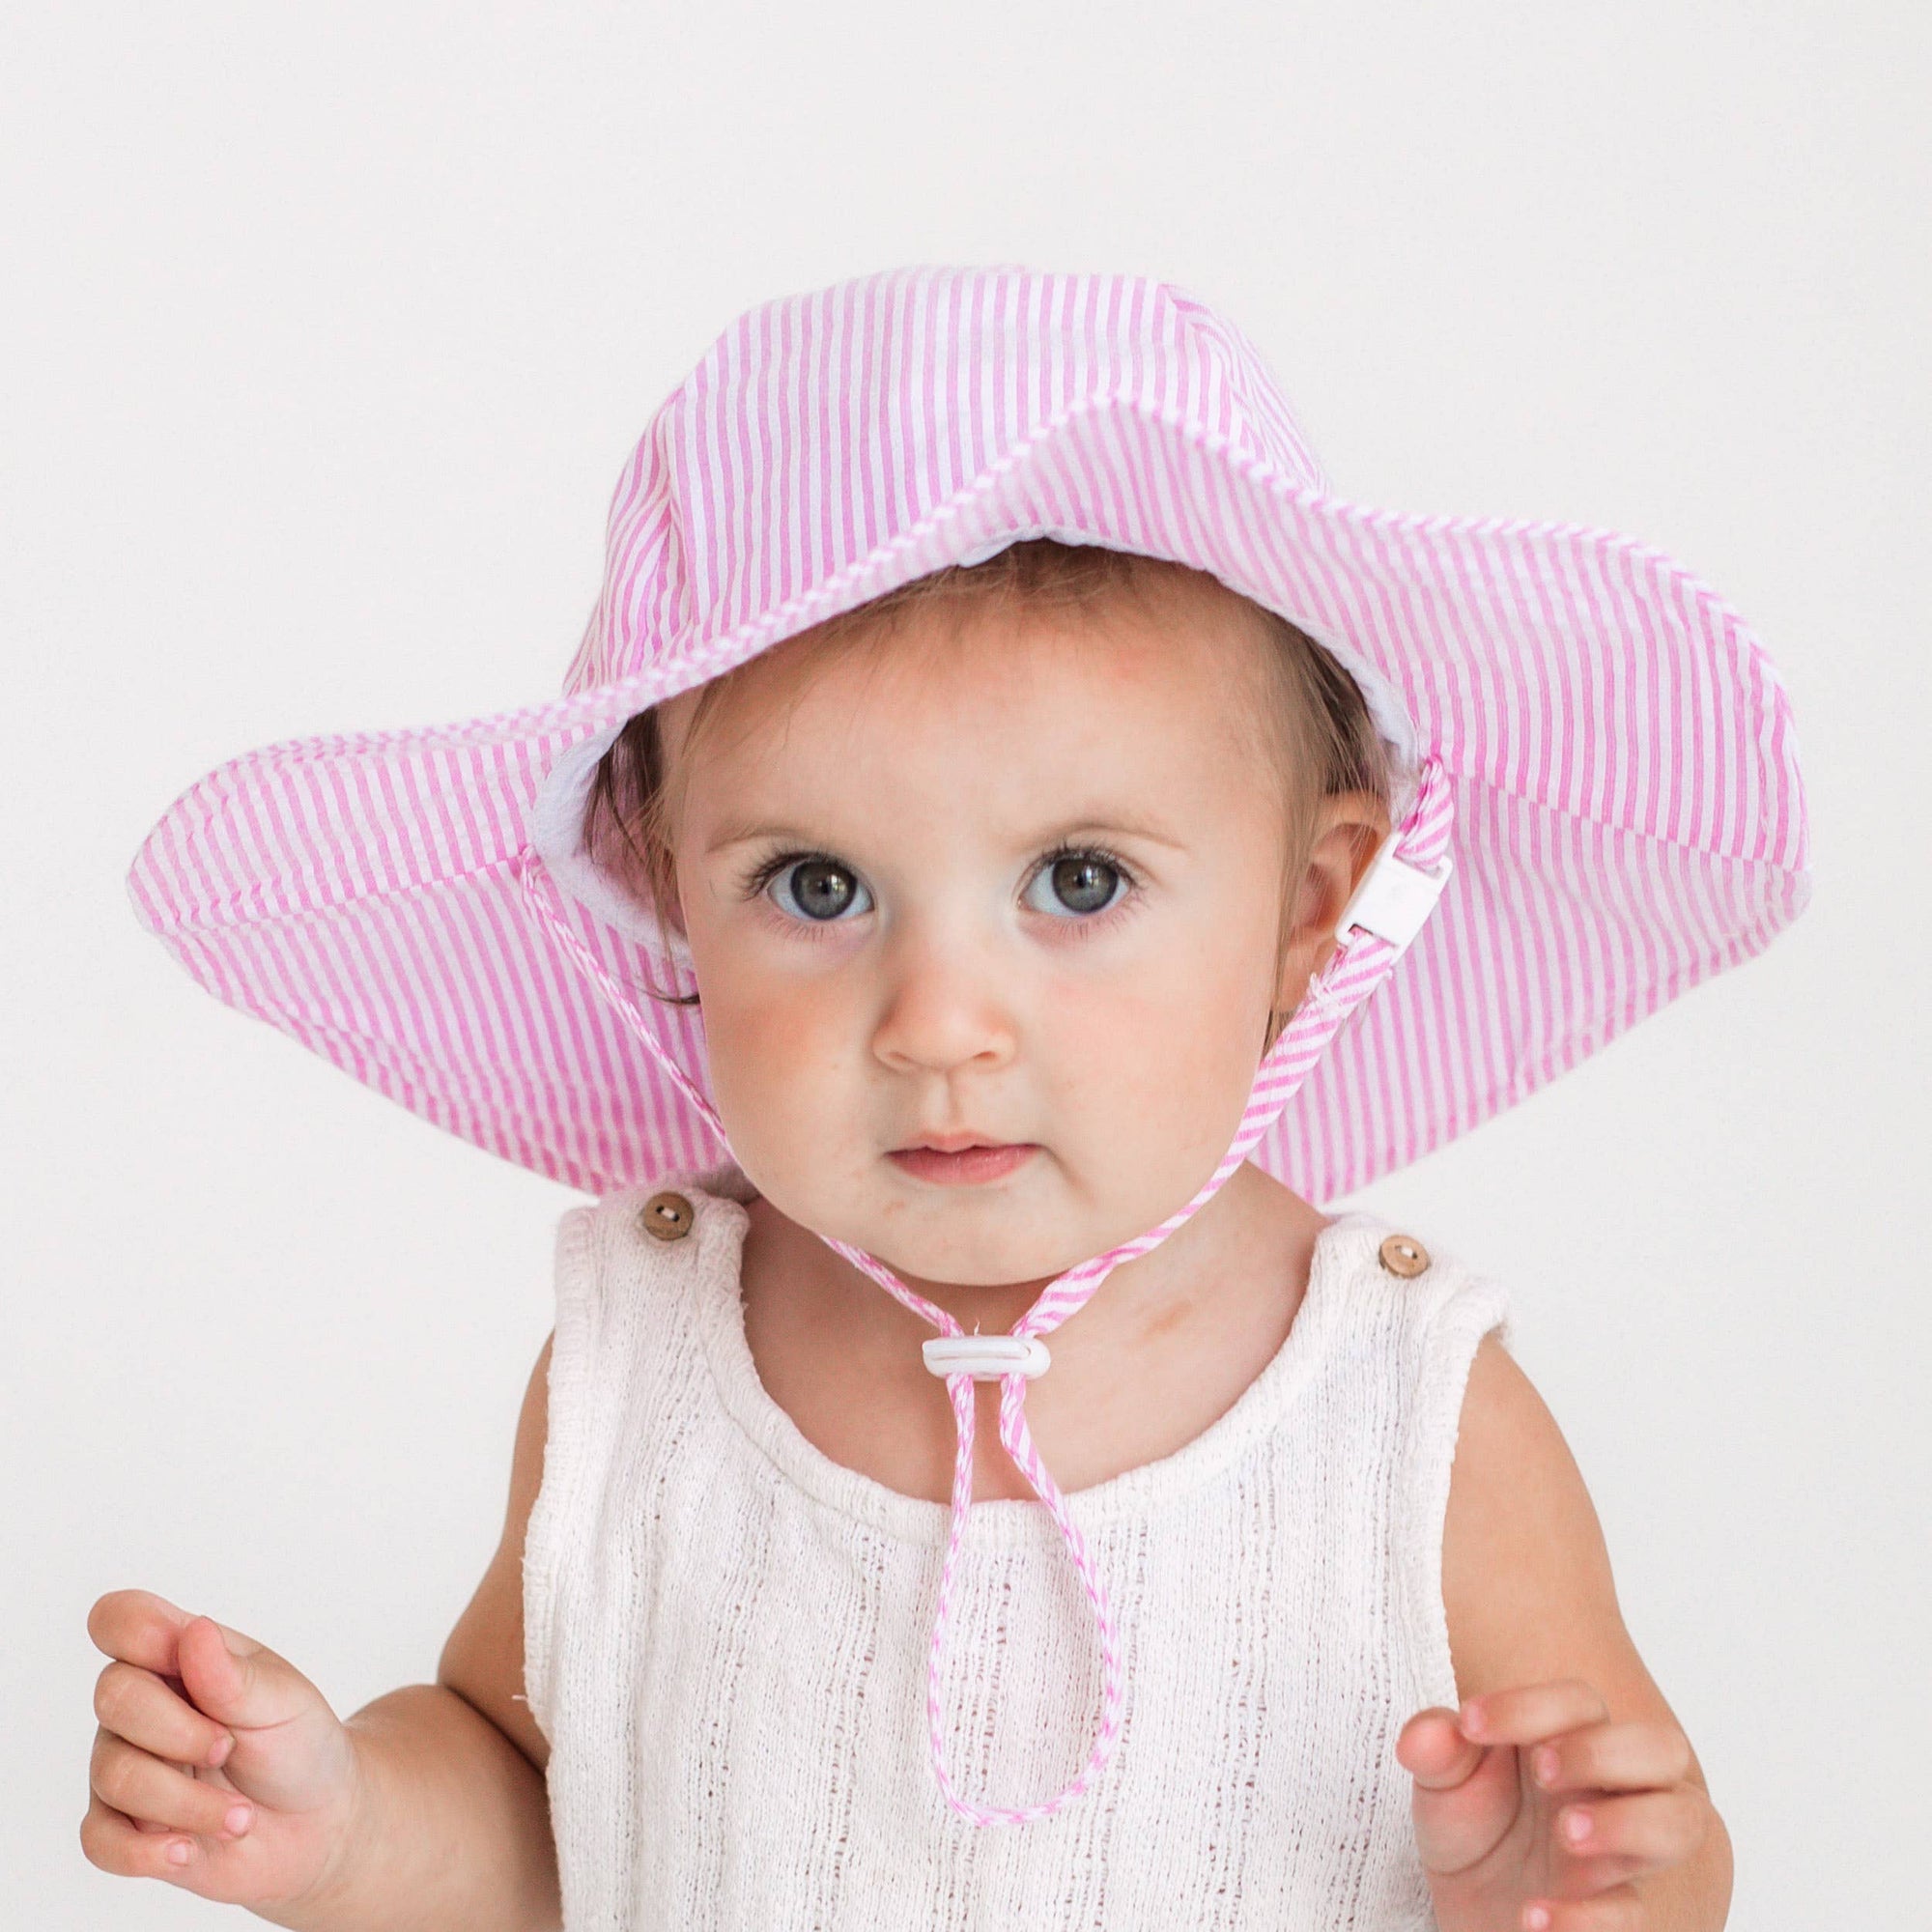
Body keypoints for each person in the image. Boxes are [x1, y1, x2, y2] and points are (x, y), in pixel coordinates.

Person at [81, 266, 1809, 1930]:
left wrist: (1586, 1890)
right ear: (667, 890)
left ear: (1309, 906)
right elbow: (551, 1813)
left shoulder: (1403, 1416)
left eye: (1077, 882)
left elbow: (1612, 1856)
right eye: (819, 889)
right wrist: (340, 1824)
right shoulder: (649, 1369)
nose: (939, 1026)